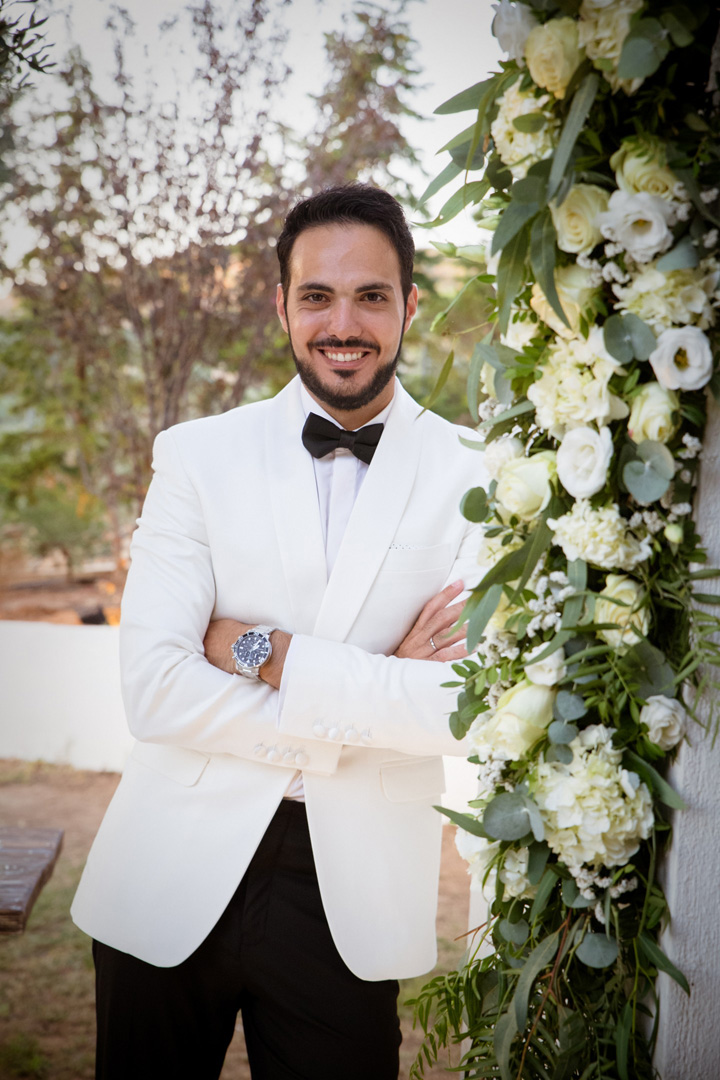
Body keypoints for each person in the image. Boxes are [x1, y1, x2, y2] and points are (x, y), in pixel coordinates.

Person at [71, 183, 489, 1080]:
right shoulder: (196, 455)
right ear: (281, 305)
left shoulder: (477, 474)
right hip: (168, 865)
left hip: (352, 897)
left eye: (371, 296)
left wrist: (261, 650)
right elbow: (154, 690)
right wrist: (378, 684)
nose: (344, 324)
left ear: (410, 305)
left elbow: (463, 706)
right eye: (317, 296)